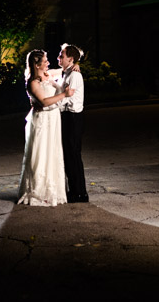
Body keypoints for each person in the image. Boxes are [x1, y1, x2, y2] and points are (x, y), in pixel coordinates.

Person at [17, 49, 75, 206]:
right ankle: (39, 190)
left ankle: (53, 190)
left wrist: (76, 66)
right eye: (45, 61)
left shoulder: (48, 75)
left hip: (53, 120)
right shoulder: (33, 83)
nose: (48, 63)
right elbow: (44, 101)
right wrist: (64, 95)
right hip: (42, 121)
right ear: (37, 64)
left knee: (53, 152)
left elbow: (64, 68)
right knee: (42, 153)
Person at [58, 43, 88, 203]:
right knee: (69, 155)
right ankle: (75, 190)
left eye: (61, 55)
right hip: (68, 117)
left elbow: (67, 99)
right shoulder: (67, 72)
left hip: (73, 118)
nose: (59, 58)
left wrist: (52, 105)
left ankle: (80, 193)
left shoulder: (74, 75)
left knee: (74, 154)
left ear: (70, 58)